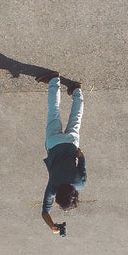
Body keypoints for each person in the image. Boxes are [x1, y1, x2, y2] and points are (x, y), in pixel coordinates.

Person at [37, 74, 86, 236]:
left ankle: (77, 91)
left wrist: (80, 156)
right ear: (58, 197)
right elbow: (45, 211)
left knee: (76, 119)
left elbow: (82, 163)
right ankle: (53, 82)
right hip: (53, 143)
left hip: (72, 144)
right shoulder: (53, 187)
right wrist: (51, 225)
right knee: (54, 112)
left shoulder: (80, 184)